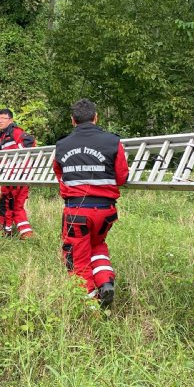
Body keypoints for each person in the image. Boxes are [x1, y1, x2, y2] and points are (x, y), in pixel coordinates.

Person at [53, 99, 129, 307]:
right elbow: (121, 177)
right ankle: (105, 282)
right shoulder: (113, 142)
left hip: (76, 211)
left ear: (72, 120)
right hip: (105, 212)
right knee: (97, 245)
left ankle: (91, 307)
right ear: (96, 117)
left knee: (77, 260)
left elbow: (59, 173)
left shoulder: (62, 145)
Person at [0, 109, 36, 239]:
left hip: (14, 176)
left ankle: (6, 232)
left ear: (11, 120)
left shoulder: (16, 133)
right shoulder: (2, 137)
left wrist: (17, 164)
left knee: (6, 204)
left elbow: (30, 143)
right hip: (19, 176)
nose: (0, 121)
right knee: (17, 206)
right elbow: (0, 158)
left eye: (3, 118)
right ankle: (26, 233)